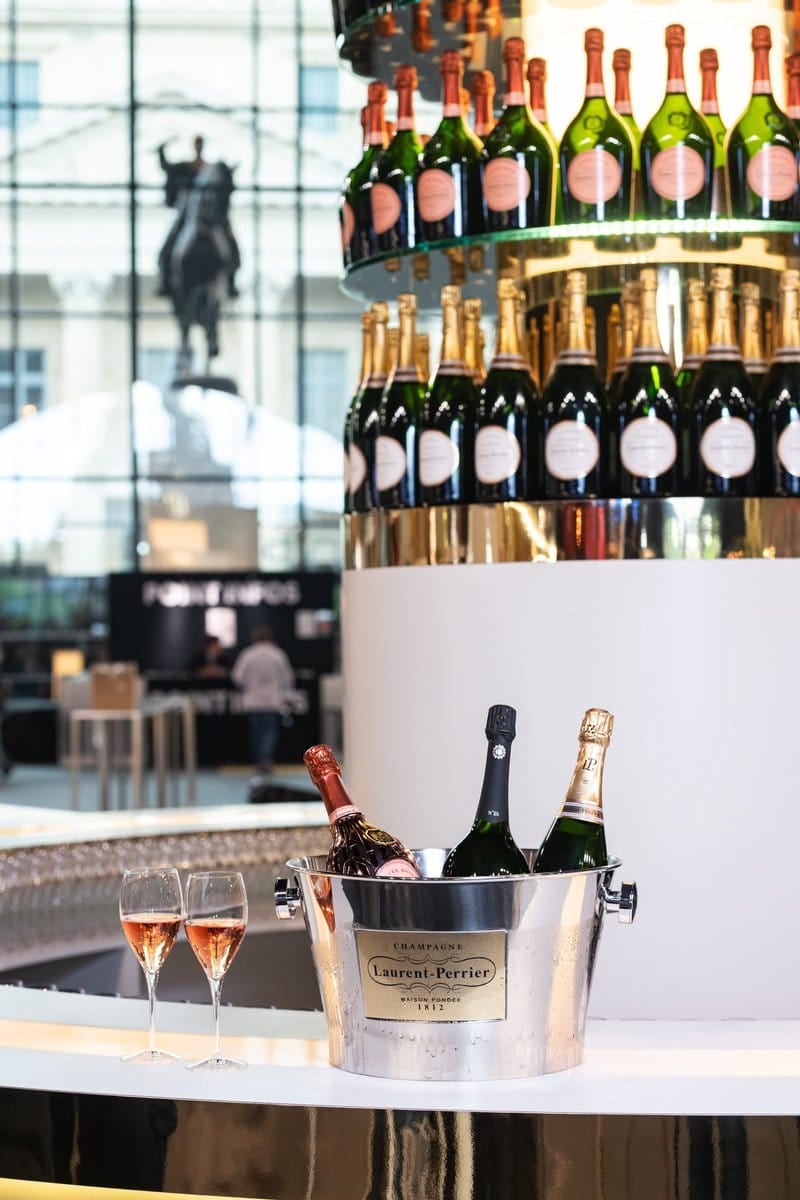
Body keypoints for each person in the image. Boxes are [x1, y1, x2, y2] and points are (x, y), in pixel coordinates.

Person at [156, 135, 240, 300]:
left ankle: (231, 283)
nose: (199, 146)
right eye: (196, 144)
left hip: (212, 219)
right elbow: (167, 168)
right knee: (168, 247)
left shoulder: (211, 170)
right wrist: (161, 151)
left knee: (231, 249)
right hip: (188, 216)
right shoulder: (187, 167)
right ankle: (165, 280)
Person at [231, 626, 294, 775]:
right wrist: (287, 696)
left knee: (257, 732)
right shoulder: (277, 654)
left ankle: (260, 761)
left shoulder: (248, 654)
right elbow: (287, 678)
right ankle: (266, 760)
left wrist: (249, 686)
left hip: (253, 700)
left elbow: (237, 677)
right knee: (269, 732)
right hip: (273, 699)